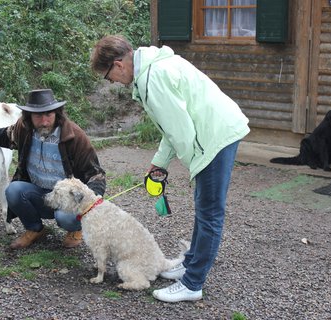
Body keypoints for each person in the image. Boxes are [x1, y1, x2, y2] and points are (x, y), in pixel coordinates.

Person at [90, 35, 250, 303]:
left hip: (214, 136)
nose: (113, 83)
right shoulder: (153, 66)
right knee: (204, 209)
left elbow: (183, 133)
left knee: (210, 213)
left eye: (108, 78)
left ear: (118, 65)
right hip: (215, 130)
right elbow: (172, 126)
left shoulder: (154, 79)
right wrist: (160, 162)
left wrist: (194, 167)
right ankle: (190, 264)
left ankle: (192, 283)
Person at [0, 89, 106, 250]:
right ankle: (35, 229)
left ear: (57, 113)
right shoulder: (24, 129)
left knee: (65, 217)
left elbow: (96, 174)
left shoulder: (74, 136)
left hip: (66, 198)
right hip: (38, 193)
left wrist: (91, 202)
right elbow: (2, 135)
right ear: (29, 117)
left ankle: (75, 230)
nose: (44, 121)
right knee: (13, 191)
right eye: (38, 116)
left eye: (48, 114)